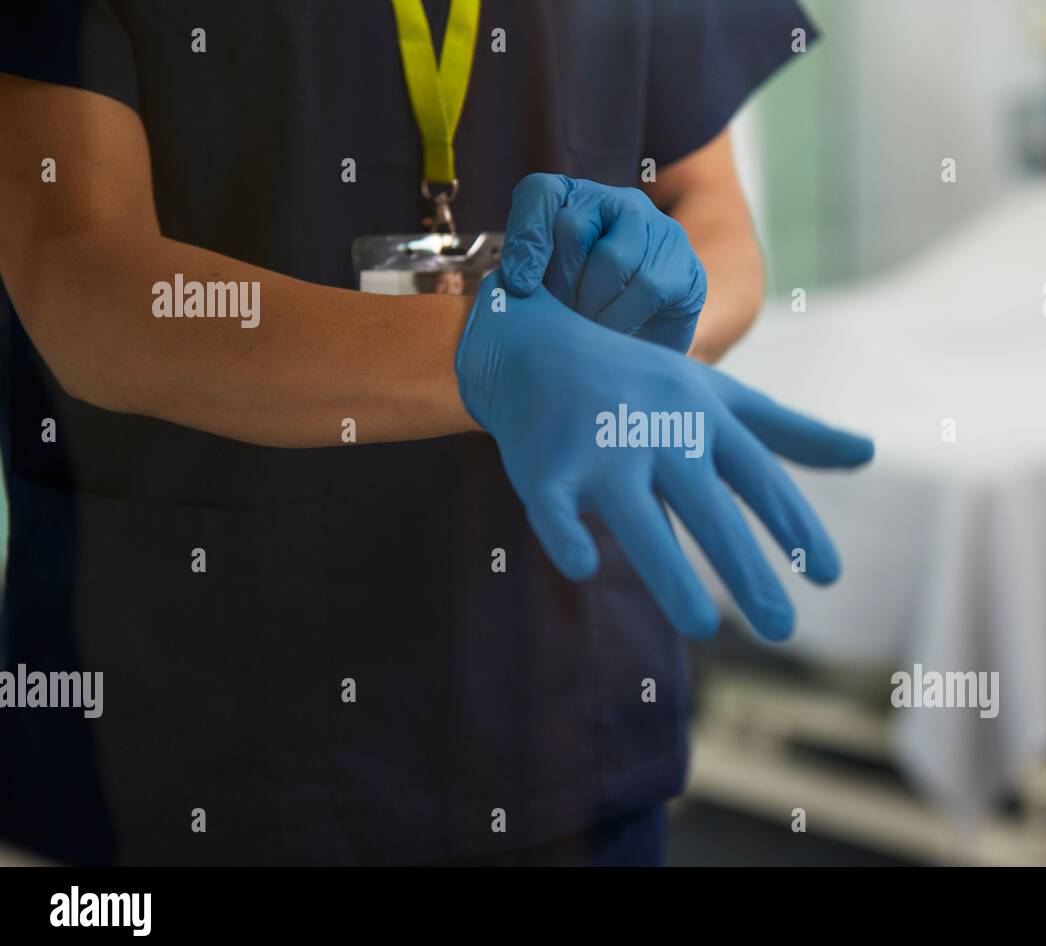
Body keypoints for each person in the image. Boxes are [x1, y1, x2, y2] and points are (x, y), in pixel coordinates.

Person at [0, 0, 870, 865]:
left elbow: (710, 208)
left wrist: (644, 312)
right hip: (211, 722)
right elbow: (79, 270)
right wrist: (480, 350)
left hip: (565, 699)